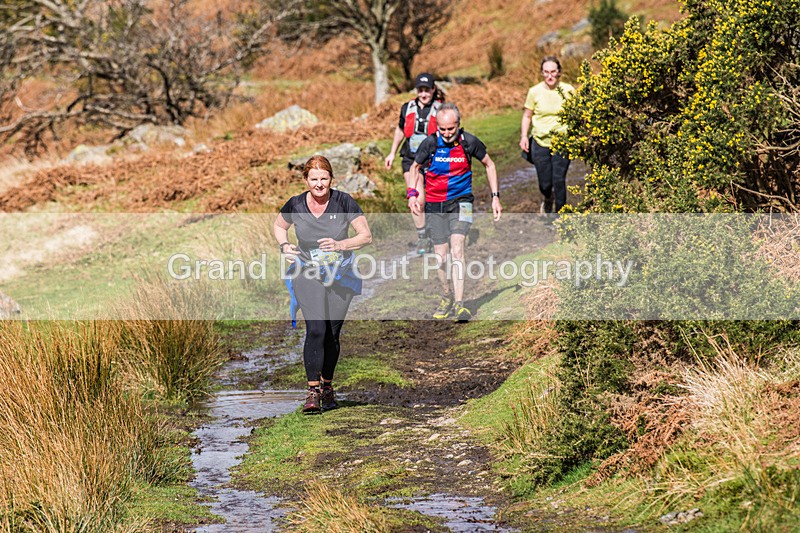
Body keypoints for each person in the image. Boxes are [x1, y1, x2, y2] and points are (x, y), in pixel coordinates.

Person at [274, 155, 372, 414]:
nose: (319, 184)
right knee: (316, 329)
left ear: (331, 179)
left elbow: (366, 236)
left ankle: (327, 387)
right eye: (314, 179)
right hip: (307, 272)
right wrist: (284, 245)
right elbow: (278, 226)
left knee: (332, 335)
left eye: (324, 179)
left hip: (340, 275)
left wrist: (341, 244)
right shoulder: (295, 204)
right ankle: (312, 391)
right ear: (305, 180)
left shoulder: (343, 202)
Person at [408, 102, 502, 322]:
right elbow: (415, 167)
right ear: (437, 127)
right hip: (435, 204)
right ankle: (447, 295)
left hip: (462, 201)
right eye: (443, 129)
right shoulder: (429, 144)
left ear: (459, 125)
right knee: (440, 256)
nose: (447, 133)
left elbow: (490, 165)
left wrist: (495, 197)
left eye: (451, 128)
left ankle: (460, 305)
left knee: (457, 249)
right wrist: (413, 194)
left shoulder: (469, 142)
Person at [385, 72, 444, 255]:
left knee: (435, 199)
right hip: (410, 159)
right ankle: (422, 237)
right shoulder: (407, 107)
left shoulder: (442, 109)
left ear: (433, 90)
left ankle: (439, 232)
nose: (424, 94)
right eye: (420, 90)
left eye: (427, 90)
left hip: (434, 160)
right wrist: (392, 153)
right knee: (416, 197)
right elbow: (400, 130)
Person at [519, 56, 575, 214]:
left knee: (559, 180)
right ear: (542, 73)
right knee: (545, 184)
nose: (550, 76)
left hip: (563, 142)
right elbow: (527, 116)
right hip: (540, 142)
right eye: (546, 72)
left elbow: (577, 116)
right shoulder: (534, 92)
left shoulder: (568, 90)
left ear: (559, 73)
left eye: (553, 72)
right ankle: (547, 198)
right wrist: (524, 136)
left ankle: (561, 218)